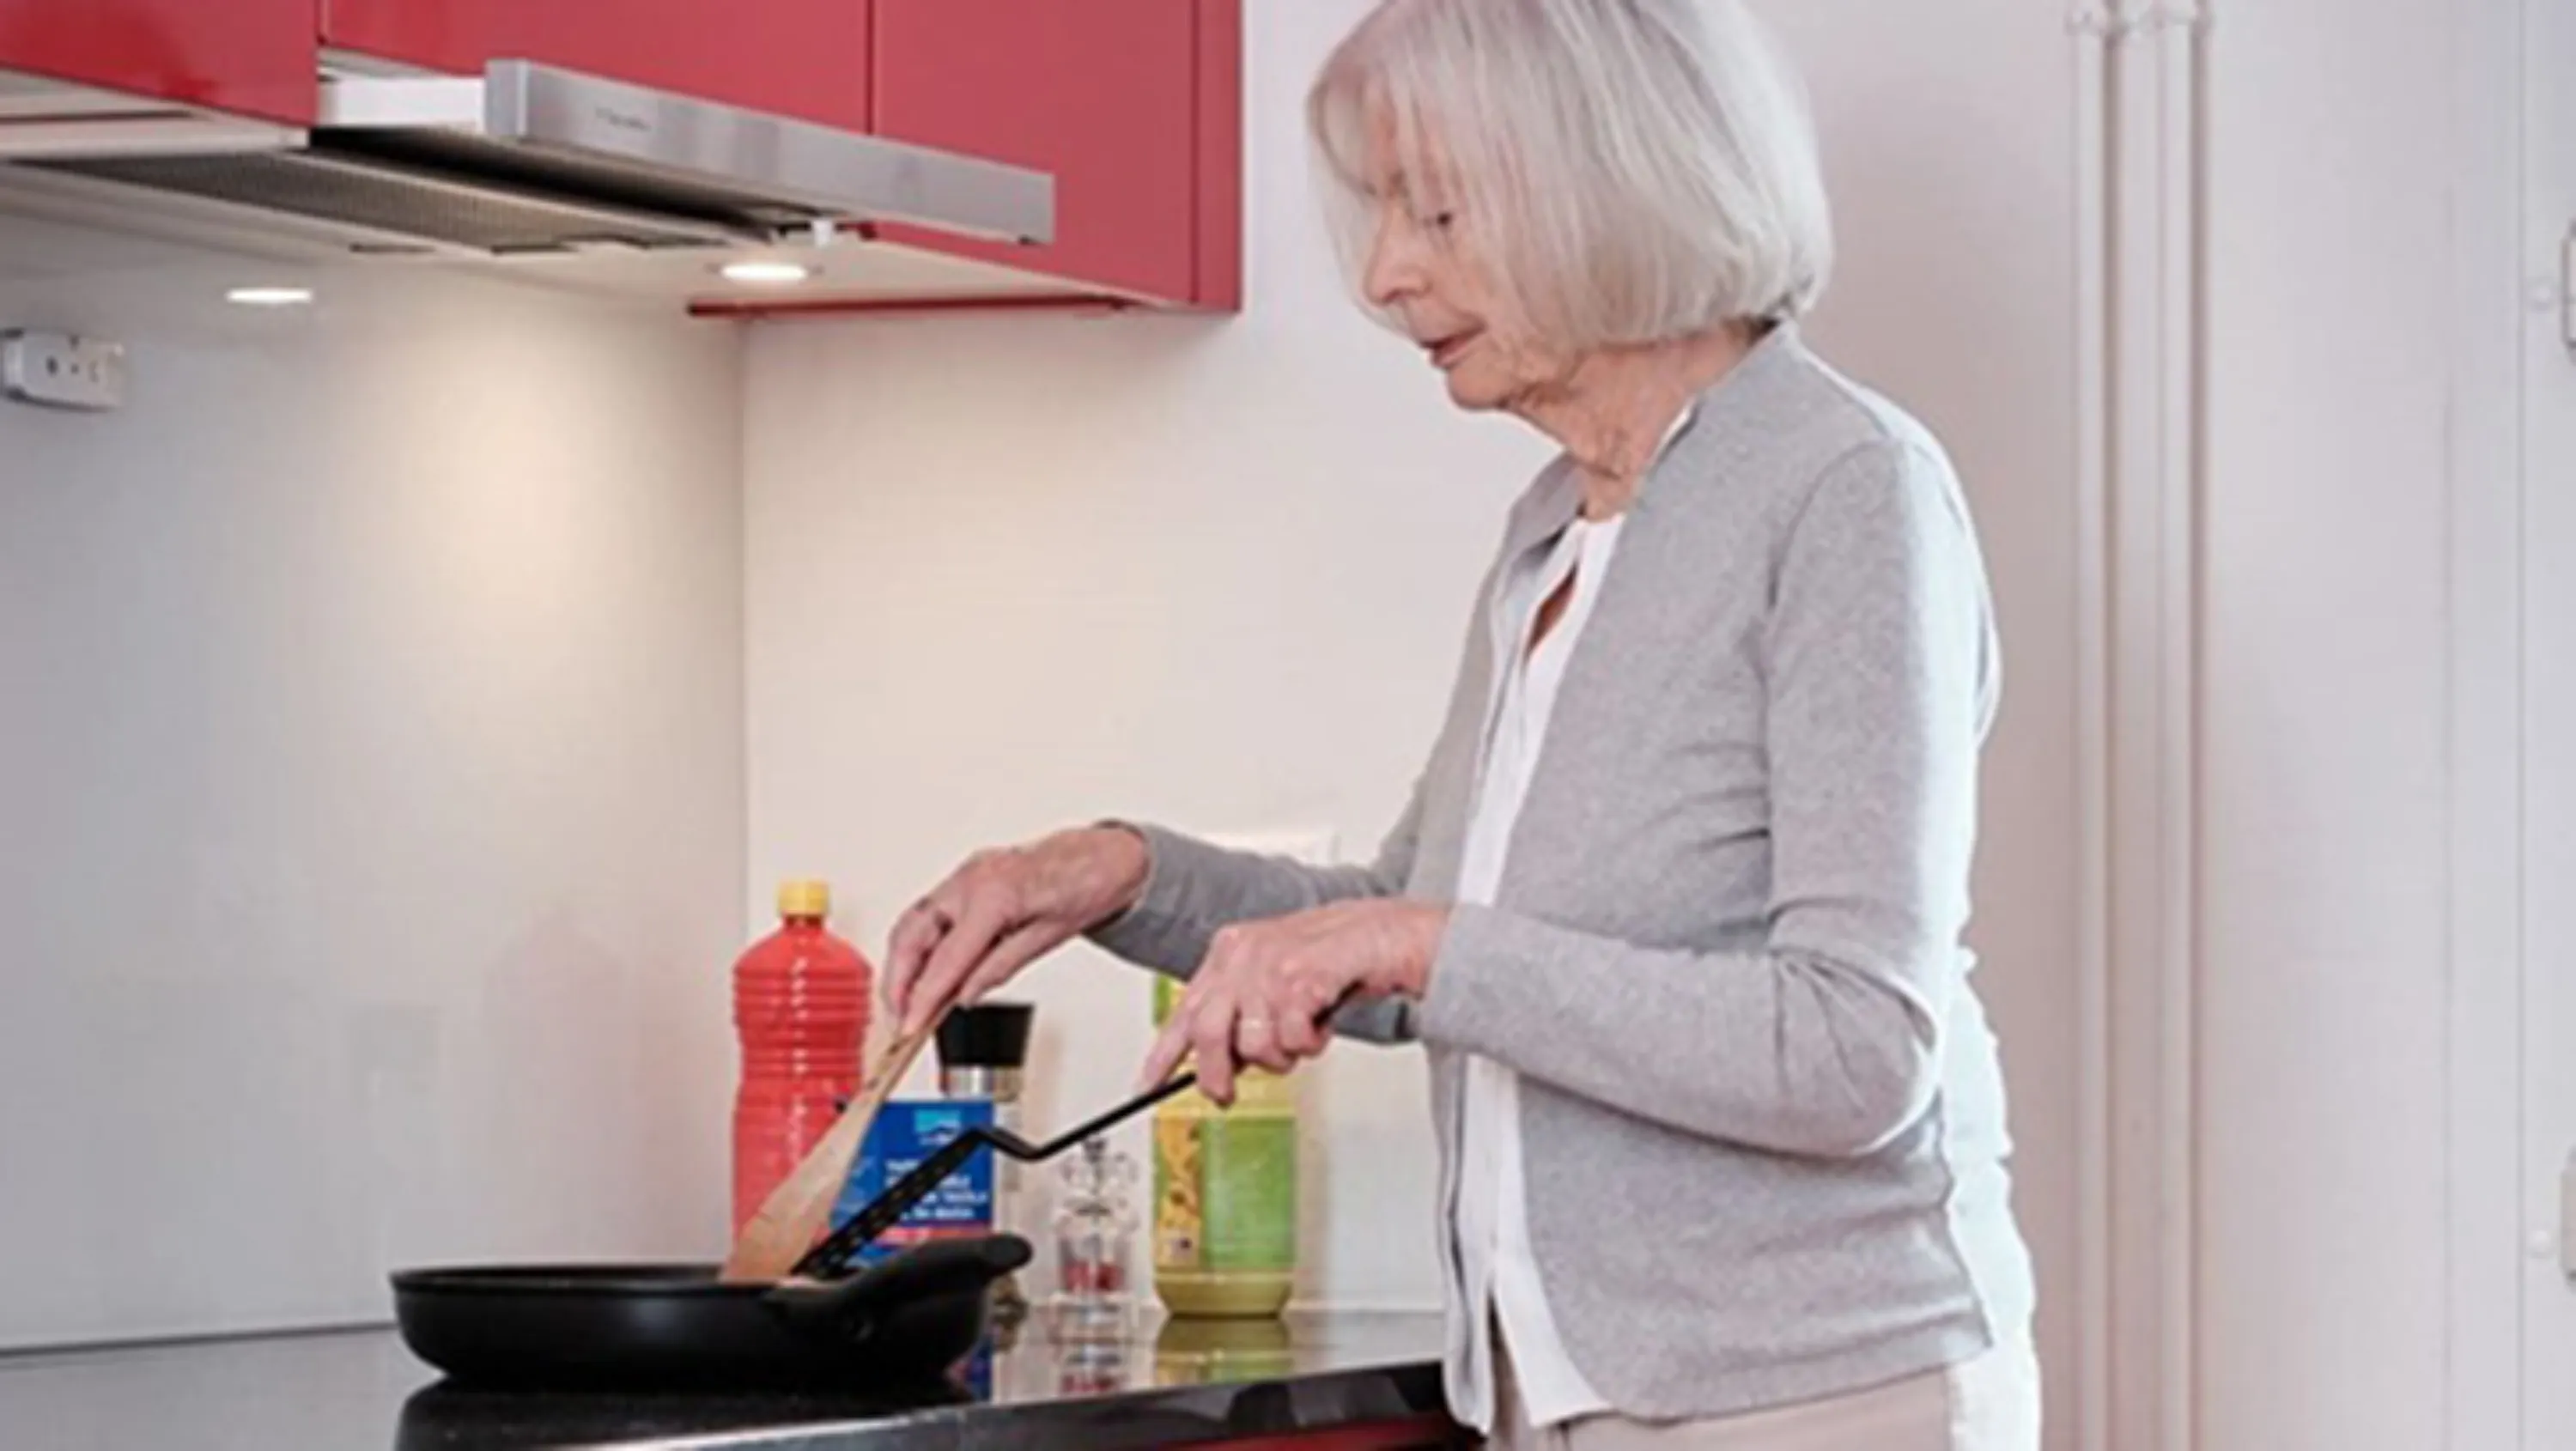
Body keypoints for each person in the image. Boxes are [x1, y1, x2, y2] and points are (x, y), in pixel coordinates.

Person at [880, 1, 2040, 1446]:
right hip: (1565, 1398)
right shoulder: (1557, 531)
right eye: (1382, 211)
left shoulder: (1847, 490)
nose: (1386, 273)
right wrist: (1113, 873)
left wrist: (1419, 943)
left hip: (1816, 1396)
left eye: (1436, 210)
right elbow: (1405, 921)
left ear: (1610, 181)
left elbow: (1856, 1045)